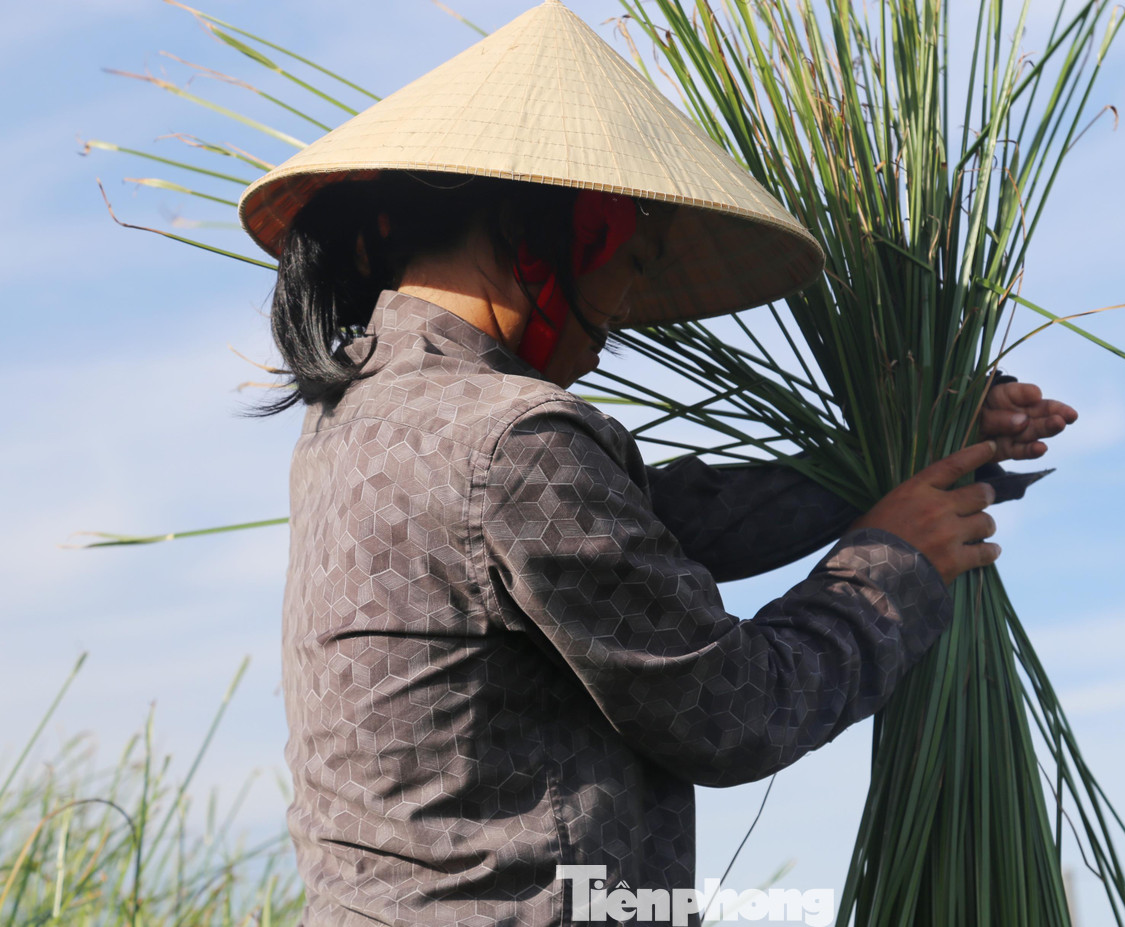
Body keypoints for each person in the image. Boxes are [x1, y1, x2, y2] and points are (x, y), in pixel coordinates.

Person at [239, 4, 1076, 925]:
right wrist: (891, 564)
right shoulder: (512, 441)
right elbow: (738, 709)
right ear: (565, 234)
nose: (625, 312)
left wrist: (910, 448)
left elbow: (656, 524)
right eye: (632, 264)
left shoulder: (362, 415)